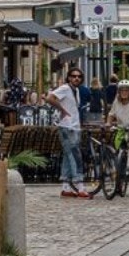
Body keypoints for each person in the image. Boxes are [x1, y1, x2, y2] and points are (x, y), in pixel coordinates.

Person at [46, 67, 89, 198]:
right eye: (73, 76)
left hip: (74, 126)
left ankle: (65, 186)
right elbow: (50, 98)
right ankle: (80, 185)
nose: (76, 78)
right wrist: (62, 110)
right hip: (67, 127)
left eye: (79, 76)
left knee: (68, 155)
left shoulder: (76, 90)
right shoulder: (65, 88)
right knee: (75, 155)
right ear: (69, 77)